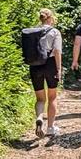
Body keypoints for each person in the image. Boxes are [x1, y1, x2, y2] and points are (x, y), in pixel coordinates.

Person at [22, 8, 63, 138]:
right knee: (52, 97)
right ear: (51, 18)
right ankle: (50, 127)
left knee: (40, 99)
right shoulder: (55, 32)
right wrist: (59, 69)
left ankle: (39, 117)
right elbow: (57, 51)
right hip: (50, 64)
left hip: (35, 66)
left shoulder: (34, 32)